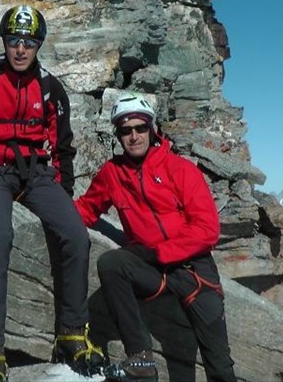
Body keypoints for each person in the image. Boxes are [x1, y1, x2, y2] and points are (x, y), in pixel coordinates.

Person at [0, 5, 105, 382]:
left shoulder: (50, 87)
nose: (20, 49)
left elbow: (62, 147)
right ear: (4, 42)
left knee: (76, 236)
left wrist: (63, 194)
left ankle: (71, 332)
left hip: (35, 174)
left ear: (38, 45)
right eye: (14, 40)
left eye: (29, 42)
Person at [75, 94, 236, 382]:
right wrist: (40, 204)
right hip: (152, 273)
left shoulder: (180, 169)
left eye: (140, 128)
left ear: (152, 129)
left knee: (220, 366)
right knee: (112, 263)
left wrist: (159, 253)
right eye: (125, 131)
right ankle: (140, 360)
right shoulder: (113, 174)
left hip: (194, 272)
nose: (133, 136)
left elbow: (206, 229)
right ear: (118, 135)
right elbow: (86, 209)